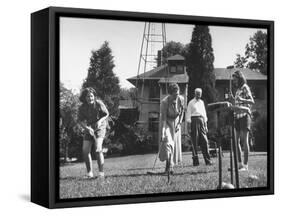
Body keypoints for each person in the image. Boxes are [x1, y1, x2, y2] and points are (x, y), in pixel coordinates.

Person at [78, 87, 109, 178]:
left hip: (100, 127)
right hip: (89, 128)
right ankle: (90, 173)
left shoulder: (99, 103)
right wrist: (87, 128)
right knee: (85, 150)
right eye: (88, 96)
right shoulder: (82, 107)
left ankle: (101, 173)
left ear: (94, 96)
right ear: (85, 97)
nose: (90, 98)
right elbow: (80, 121)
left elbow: (106, 114)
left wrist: (100, 121)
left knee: (98, 149)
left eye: (91, 96)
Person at [231, 70, 254, 171]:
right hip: (237, 116)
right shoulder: (237, 90)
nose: (234, 81)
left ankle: (245, 165)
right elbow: (237, 103)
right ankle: (240, 165)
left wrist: (241, 100)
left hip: (245, 116)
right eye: (233, 80)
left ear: (239, 78)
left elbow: (251, 101)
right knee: (235, 142)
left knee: (245, 141)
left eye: (235, 79)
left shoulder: (245, 87)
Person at [159, 83, 184, 173]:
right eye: (174, 95)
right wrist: (163, 133)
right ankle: (168, 167)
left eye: (177, 94)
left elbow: (182, 112)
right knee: (168, 143)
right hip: (167, 123)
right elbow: (164, 120)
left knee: (175, 145)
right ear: (170, 94)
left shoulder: (181, 99)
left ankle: (170, 167)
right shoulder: (164, 102)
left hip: (176, 122)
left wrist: (179, 123)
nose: (176, 97)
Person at [186, 88, 212, 166]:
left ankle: (208, 160)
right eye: (197, 94)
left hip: (202, 121)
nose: (198, 96)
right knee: (194, 142)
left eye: (200, 94)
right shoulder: (191, 103)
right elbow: (188, 115)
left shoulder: (202, 102)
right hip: (194, 121)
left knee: (205, 141)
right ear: (195, 94)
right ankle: (195, 162)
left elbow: (204, 114)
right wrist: (189, 127)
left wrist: (205, 125)